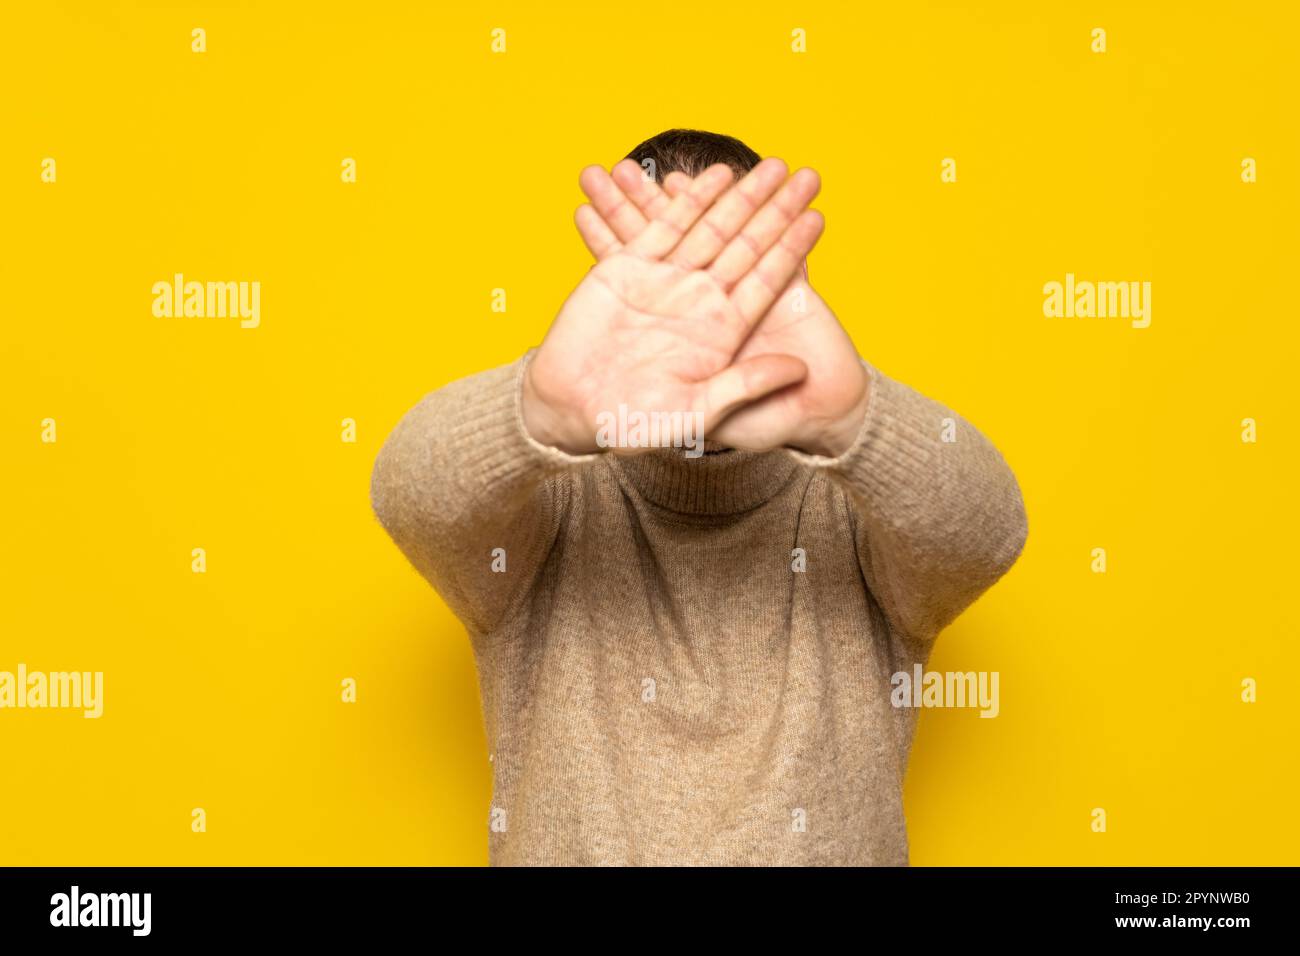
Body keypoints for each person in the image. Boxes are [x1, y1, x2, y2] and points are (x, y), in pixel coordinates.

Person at [370, 129, 1028, 865]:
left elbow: (987, 532)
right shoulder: (544, 507)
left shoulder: (862, 504)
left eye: (728, 277)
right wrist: (540, 411)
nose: (700, 327)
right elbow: (411, 495)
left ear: (783, 279)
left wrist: (855, 419)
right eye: (668, 278)